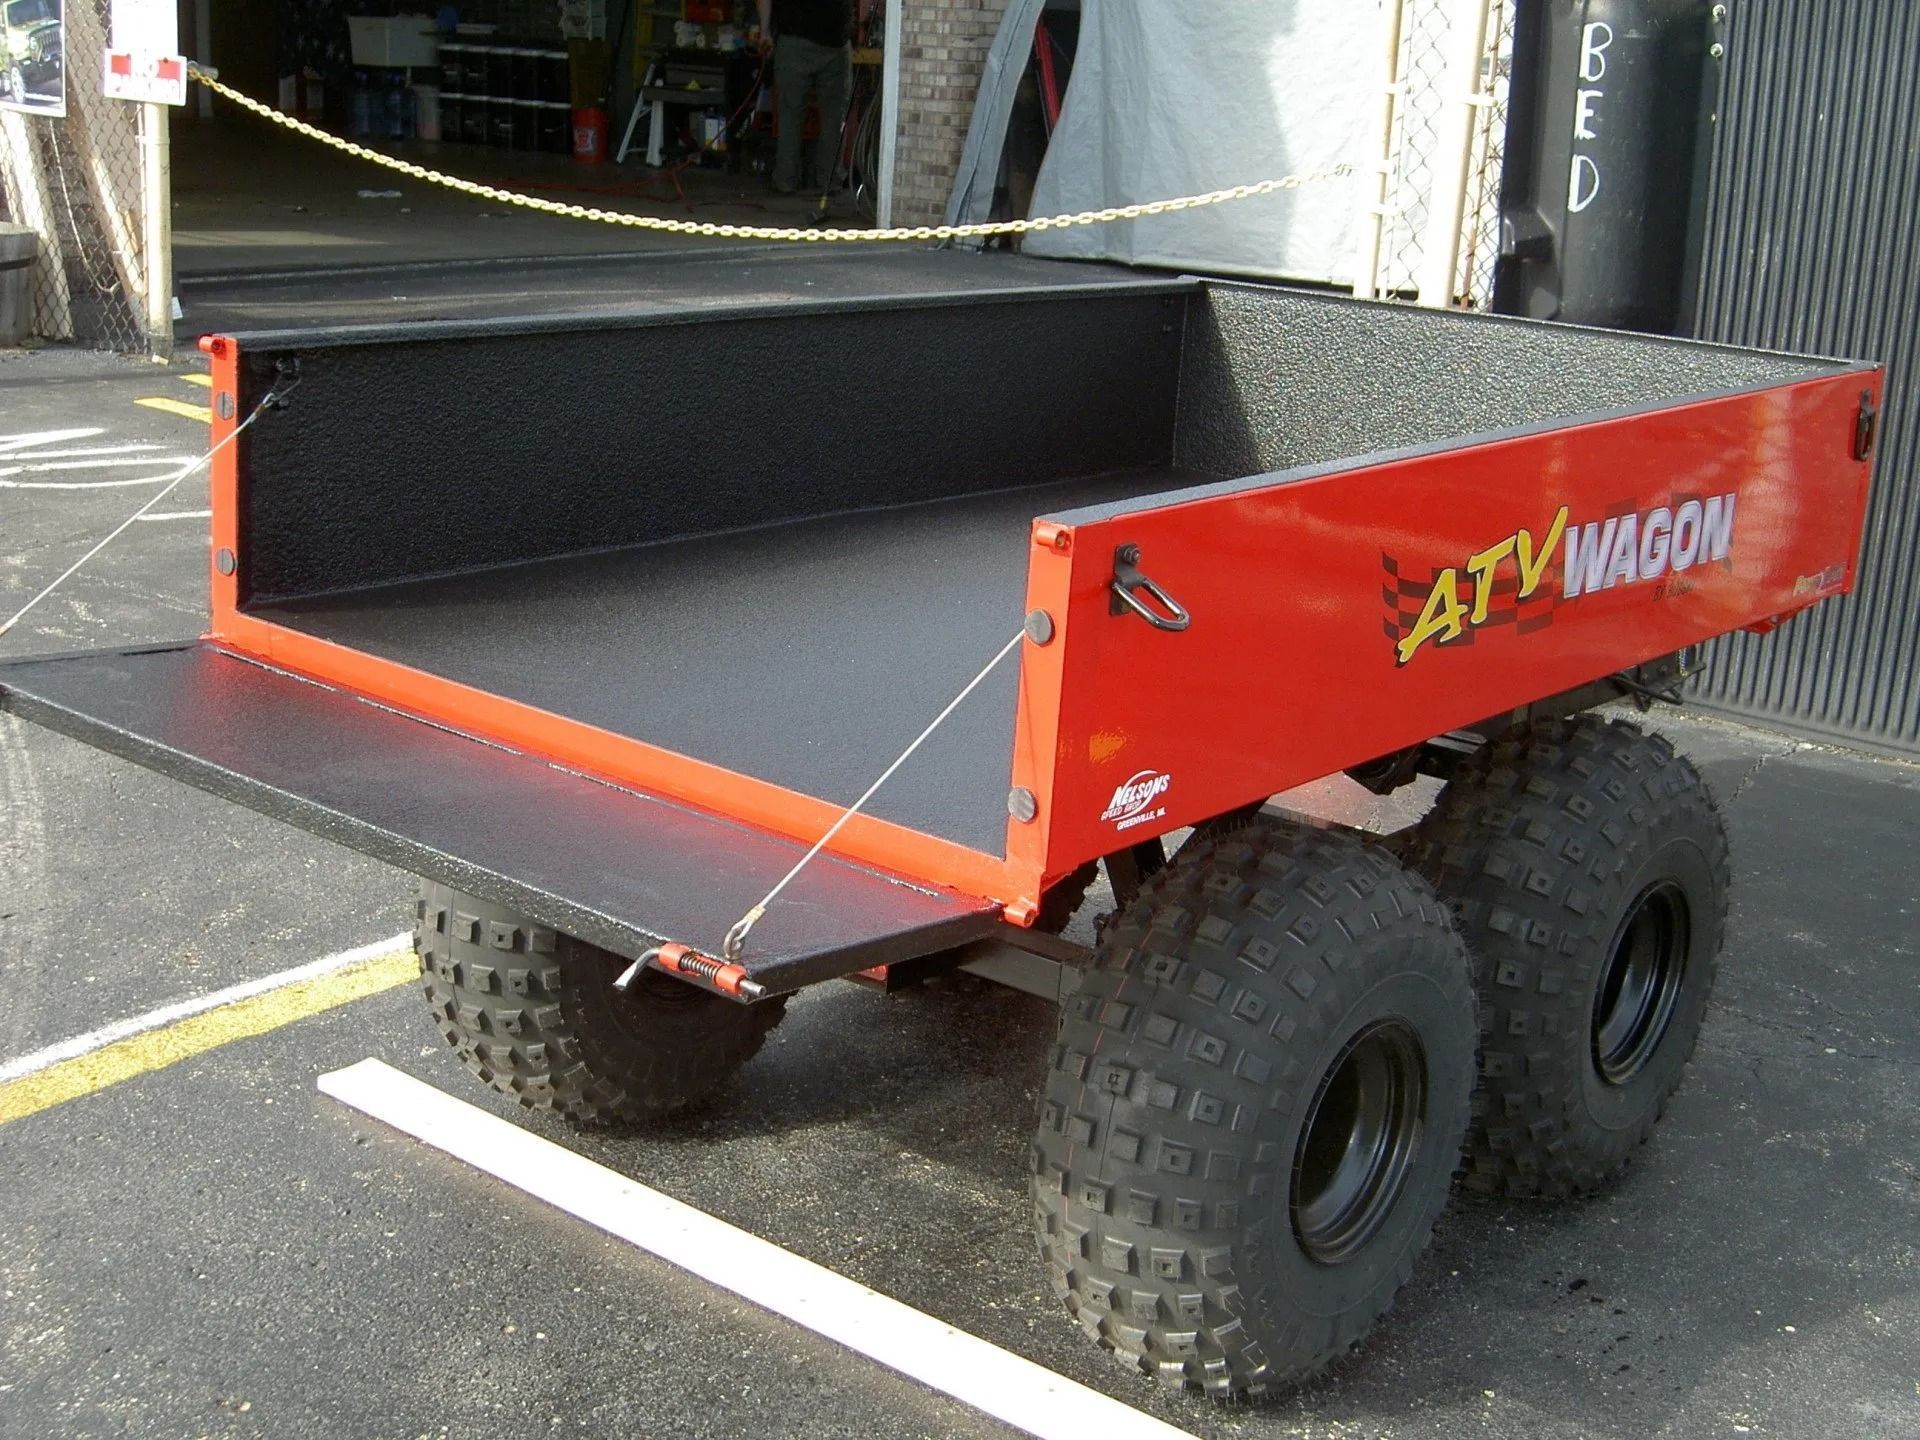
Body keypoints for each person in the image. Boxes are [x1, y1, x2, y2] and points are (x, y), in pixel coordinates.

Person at [755, 0, 853, 195]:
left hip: (796, 40)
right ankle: (828, 181)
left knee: (790, 116)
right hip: (834, 41)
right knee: (834, 119)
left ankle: (786, 180)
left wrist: (765, 31)